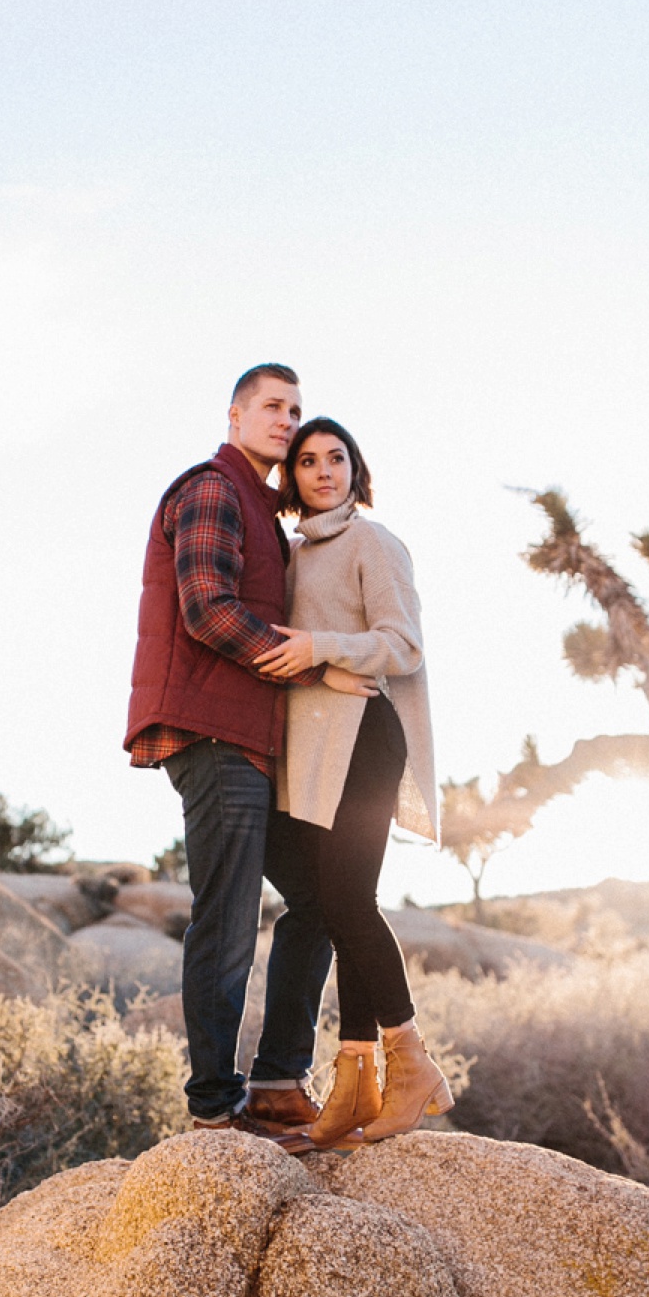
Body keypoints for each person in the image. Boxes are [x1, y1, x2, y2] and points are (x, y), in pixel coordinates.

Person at [124, 365, 377, 1136]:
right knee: (228, 920)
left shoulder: (266, 516)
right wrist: (315, 658)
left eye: (294, 408)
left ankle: (273, 1081)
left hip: (256, 745)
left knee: (324, 901)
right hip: (210, 734)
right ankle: (214, 1107)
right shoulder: (211, 488)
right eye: (272, 405)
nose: (285, 418)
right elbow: (206, 609)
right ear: (235, 415)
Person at [256, 415, 453, 1148]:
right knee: (337, 907)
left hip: (366, 744)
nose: (324, 471)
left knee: (345, 900)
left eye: (336, 458)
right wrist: (315, 661)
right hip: (309, 753)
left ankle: (412, 1064)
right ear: (293, 476)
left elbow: (403, 645)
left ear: (355, 468)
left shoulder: (373, 541)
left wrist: (322, 647)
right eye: (308, 461)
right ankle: (356, 1078)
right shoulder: (292, 556)